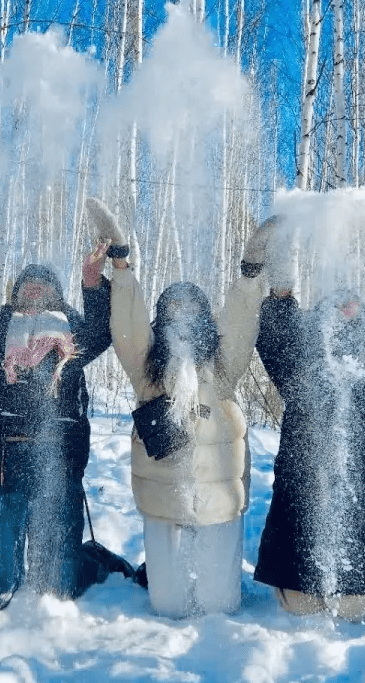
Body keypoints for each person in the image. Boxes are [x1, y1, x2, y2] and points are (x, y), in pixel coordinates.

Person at [98, 199, 268, 616]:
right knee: (169, 605)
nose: (182, 316)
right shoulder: (148, 366)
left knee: (219, 606)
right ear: (160, 316)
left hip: (219, 500)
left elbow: (241, 325)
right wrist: (120, 268)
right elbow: (127, 328)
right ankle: (158, 571)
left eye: (192, 309)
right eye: (172, 309)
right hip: (163, 500)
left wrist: (249, 278)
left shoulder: (222, 364)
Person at [0, 206, 117, 609]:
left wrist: (93, 284)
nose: (35, 290)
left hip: (56, 464)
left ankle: (93, 560)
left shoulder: (73, 337)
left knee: (59, 584)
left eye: (44, 286)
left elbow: (105, 330)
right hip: (3, 462)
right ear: (16, 294)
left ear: (56, 295)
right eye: (28, 286)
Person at [253, 261, 365, 620]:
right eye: (339, 305)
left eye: (352, 306)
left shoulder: (353, 376)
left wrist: (281, 295)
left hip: (313, 587)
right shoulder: (353, 375)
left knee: (359, 587)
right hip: (324, 590)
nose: (346, 310)